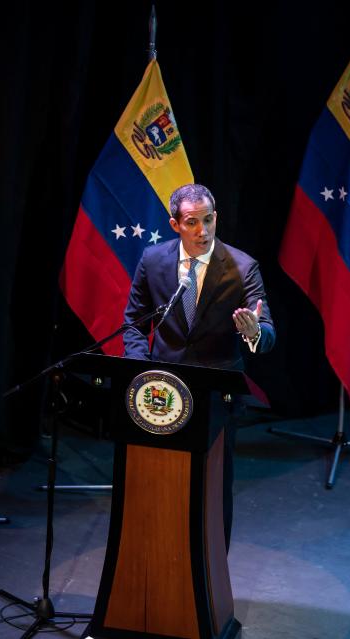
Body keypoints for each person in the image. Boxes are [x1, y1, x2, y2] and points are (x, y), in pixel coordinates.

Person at [122, 183, 276, 548]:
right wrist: (142, 374)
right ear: (175, 224)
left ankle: (212, 571)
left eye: (208, 220)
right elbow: (133, 323)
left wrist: (255, 332)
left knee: (213, 488)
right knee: (161, 484)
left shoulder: (242, 267)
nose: (202, 231)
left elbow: (266, 331)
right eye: (192, 222)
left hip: (215, 398)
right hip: (162, 393)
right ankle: (159, 557)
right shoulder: (153, 261)